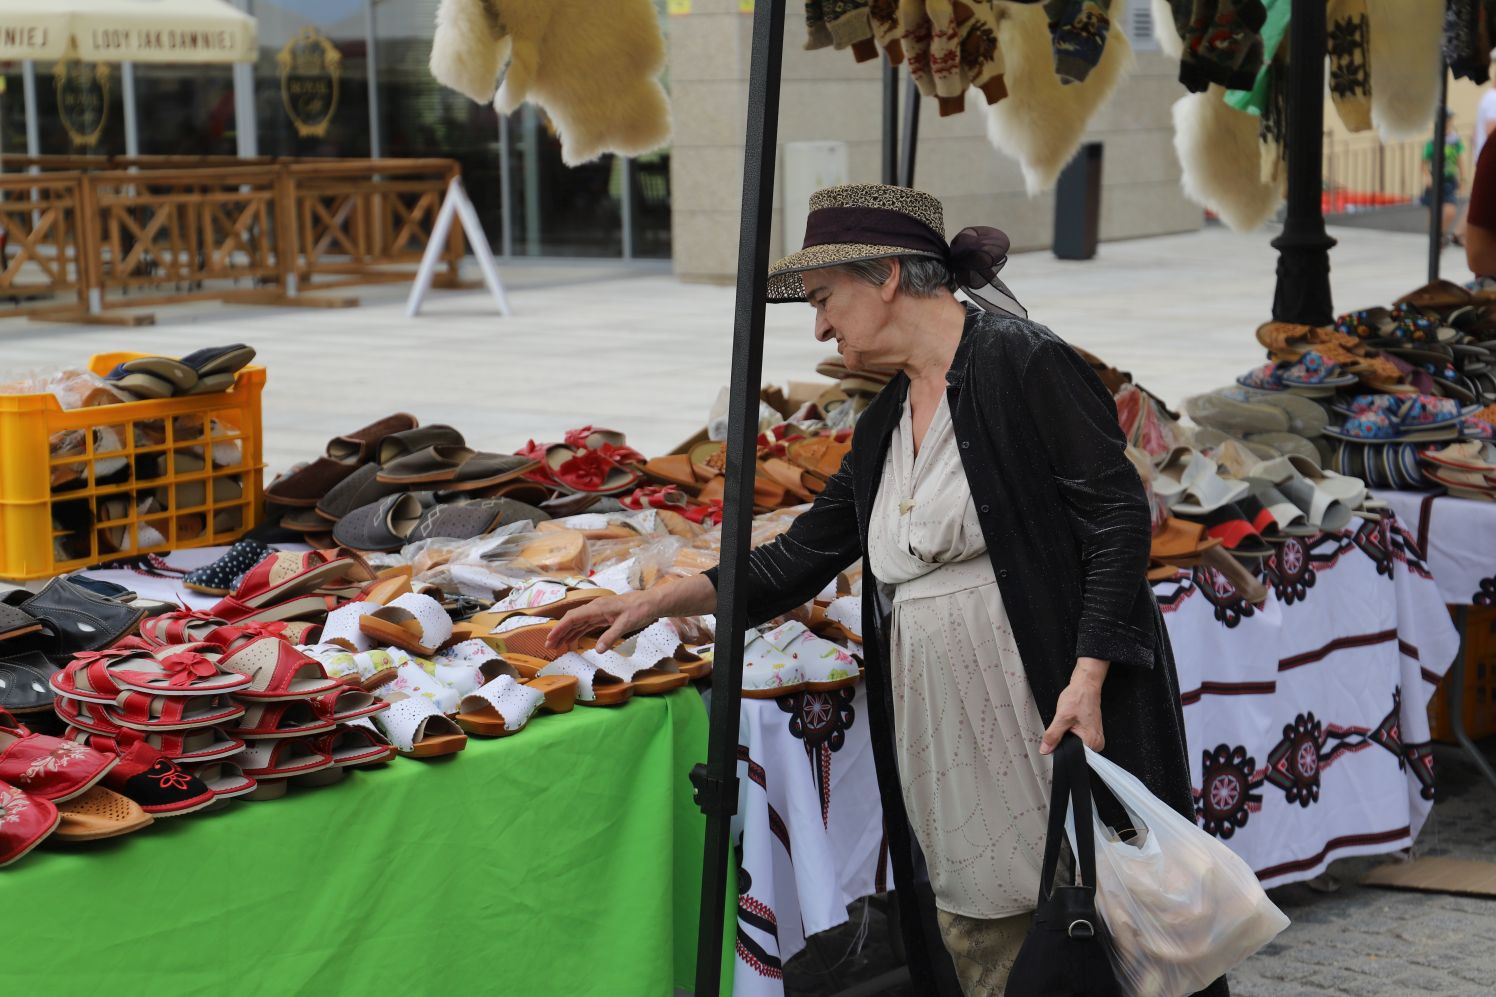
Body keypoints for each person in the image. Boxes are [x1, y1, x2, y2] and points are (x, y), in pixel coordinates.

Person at [548, 183, 1225, 996]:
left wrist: (1088, 677)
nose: (821, 325)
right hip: (945, 736)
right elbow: (800, 555)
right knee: (982, 932)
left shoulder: (1024, 361)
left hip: (1042, 709)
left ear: (889, 278)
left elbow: (1117, 518)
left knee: (1085, 922)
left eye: (826, 298)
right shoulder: (883, 425)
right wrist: (658, 598)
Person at [1423, 113, 1465, 244]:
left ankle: (1440, 233)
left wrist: (1462, 178)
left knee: (1450, 211)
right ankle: (1434, 235)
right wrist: (1427, 176)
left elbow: (1460, 160)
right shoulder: (1433, 142)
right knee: (1433, 208)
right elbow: (1423, 162)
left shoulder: (1455, 142)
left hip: (1449, 179)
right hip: (1436, 178)